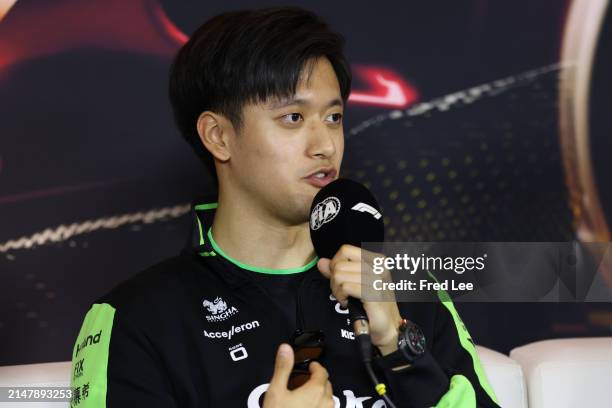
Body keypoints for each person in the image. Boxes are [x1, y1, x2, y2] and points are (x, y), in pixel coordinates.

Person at [69, 6, 500, 407]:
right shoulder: (137, 320)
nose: (325, 145)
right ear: (218, 136)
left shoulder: (403, 287)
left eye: (333, 117)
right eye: (293, 118)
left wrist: (400, 347)